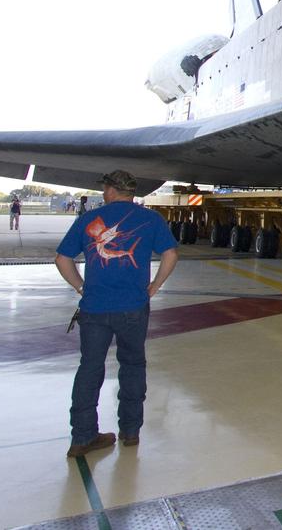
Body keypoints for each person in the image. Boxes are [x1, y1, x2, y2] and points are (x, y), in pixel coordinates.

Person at [55, 170, 178, 458]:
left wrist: (80, 287)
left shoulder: (88, 220)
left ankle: (83, 437)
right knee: (133, 365)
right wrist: (154, 286)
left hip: (95, 308)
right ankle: (131, 431)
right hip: (133, 308)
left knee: (90, 368)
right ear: (131, 192)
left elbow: (62, 258)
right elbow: (171, 254)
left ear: (111, 190)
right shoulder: (150, 219)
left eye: (105, 188)